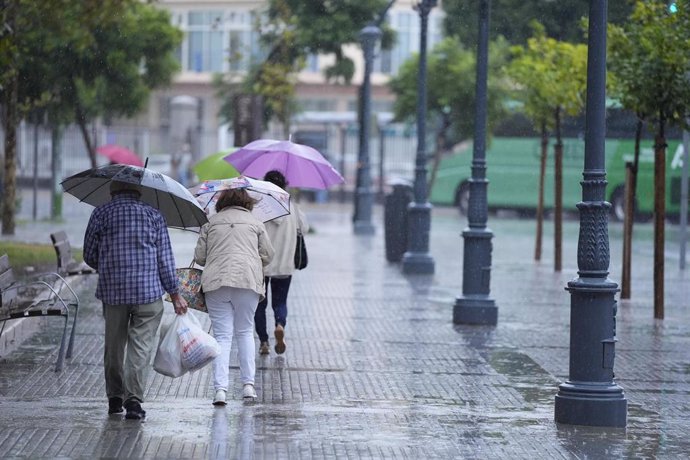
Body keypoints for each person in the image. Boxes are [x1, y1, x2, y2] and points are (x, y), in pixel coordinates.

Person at [83, 181, 188, 421]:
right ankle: (133, 401)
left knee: (114, 346)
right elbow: (165, 260)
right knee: (140, 348)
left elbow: (89, 254)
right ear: (139, 191)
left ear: (112, 191)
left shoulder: (100, 213)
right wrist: (175, 294)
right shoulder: (154, 215)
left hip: (113, 293)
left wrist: (110, 265)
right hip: (148, 293)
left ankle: (114, 399)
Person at [194, 188, 274, 405]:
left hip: (216, 283)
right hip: (247, 281)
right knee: (245, 332)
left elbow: (199, 258)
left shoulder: (210, 223)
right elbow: (268, 255)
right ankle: (248, 386)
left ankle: (220, 390)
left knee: (222, 337)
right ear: (247, 202)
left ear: (221, 202)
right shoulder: (256, 223)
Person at [255, 170, 309, 356]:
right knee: (280, 302)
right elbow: (305, 228)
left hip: (261, 264)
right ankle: (279, 324)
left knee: (259, 304)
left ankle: (263, 341)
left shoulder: (260, 207)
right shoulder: (292, 207)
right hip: (285, 264)